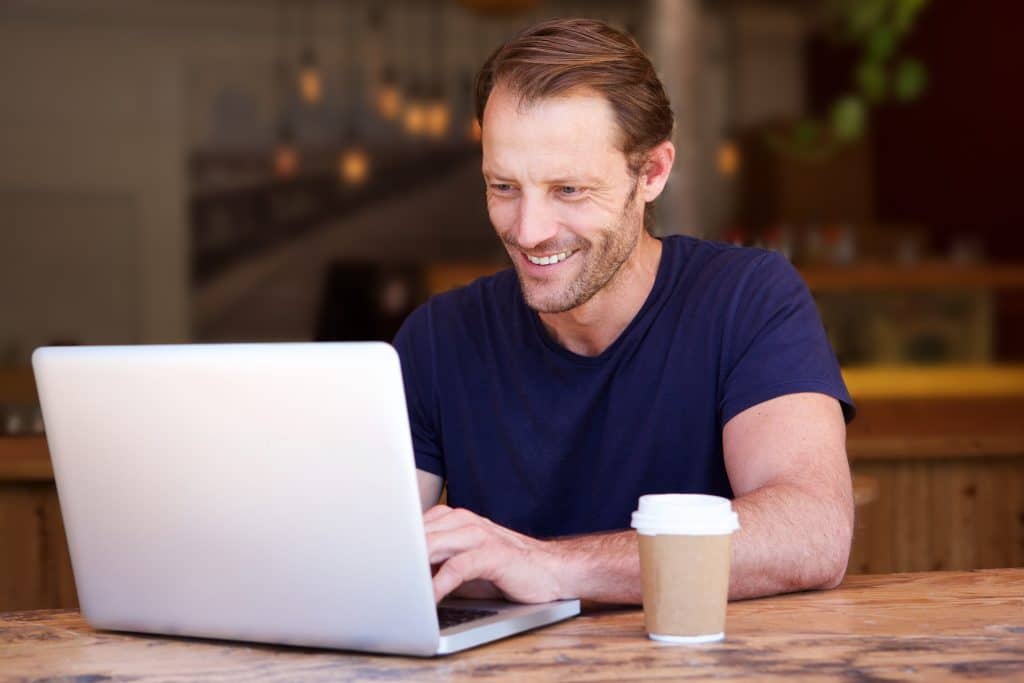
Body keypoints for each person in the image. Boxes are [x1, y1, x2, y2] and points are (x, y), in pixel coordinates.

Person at [392, 18, 855, 605]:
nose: (530, 232)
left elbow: (812, 532)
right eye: (504, 187)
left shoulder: (747, 299)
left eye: (569, 191)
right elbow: (364, 555)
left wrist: (552, 568)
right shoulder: (439, 338)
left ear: (652, 172)